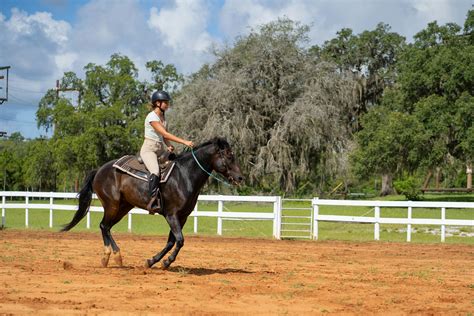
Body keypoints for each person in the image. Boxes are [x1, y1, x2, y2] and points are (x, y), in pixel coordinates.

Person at [140, 90, 194, 213]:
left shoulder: (163, 117)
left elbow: (164, 138)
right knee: (155, 171)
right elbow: (165, 133)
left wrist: (169, 146)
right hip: (149, 150)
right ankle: (152, 201)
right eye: (165, 102)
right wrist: (184, 142)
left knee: (176, 164)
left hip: (160, 150)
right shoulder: (152, 117)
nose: (167, 104)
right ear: (157, 103)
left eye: (167, 102)